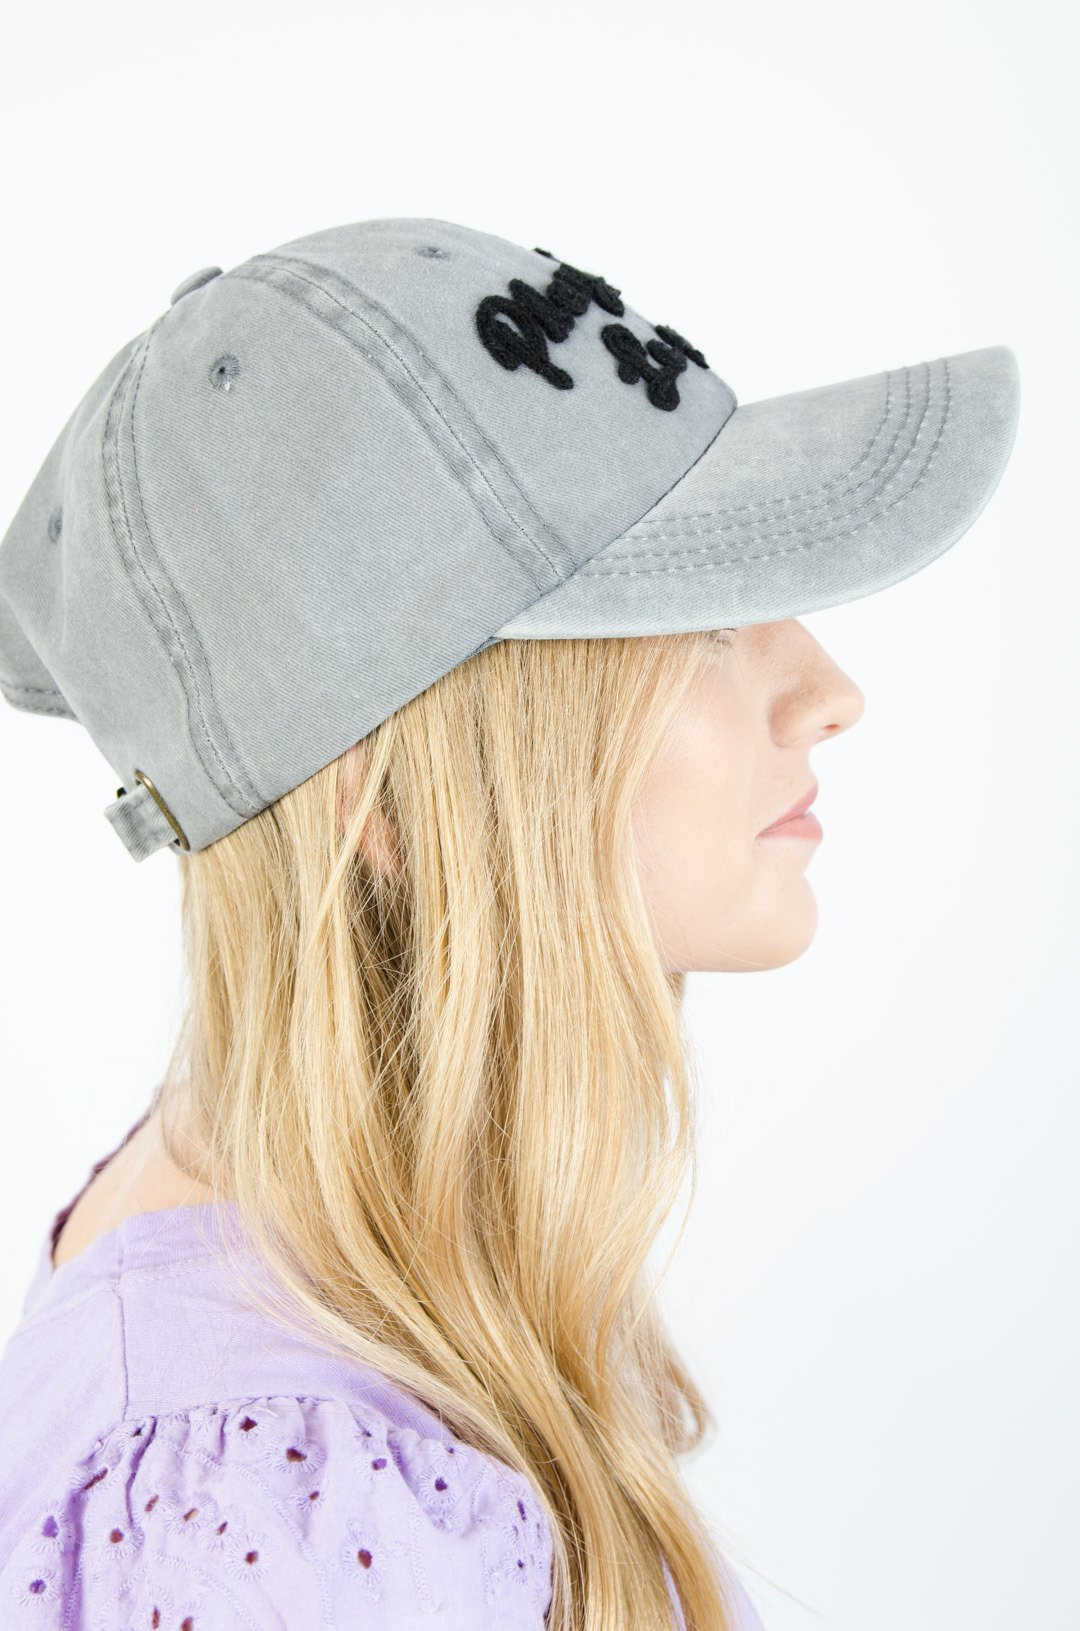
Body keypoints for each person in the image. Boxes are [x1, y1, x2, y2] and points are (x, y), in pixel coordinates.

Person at [0, 216, 1020, 1630]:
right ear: (388, 806)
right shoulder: (276, 1523)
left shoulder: (288, 1245)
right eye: (703, 620)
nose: (828, 690)